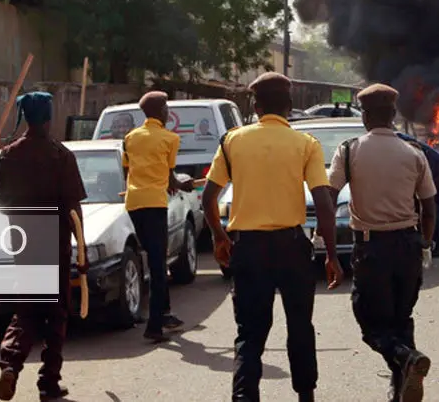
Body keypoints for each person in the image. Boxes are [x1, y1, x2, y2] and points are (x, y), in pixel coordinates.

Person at [201, 72, 343, 402]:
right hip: (292, 248)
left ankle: (244, 397)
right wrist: (331, 255)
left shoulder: (233, 140)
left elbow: (208, 198)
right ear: (290, 106)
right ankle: (305, 396)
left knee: (249, 333)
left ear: (255, 105)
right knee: (300, 327)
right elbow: (323, 201)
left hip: (247, 249)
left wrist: (220, 238)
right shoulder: (305, 143)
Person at [329, 84, 437, 402]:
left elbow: (329, 194)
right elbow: (429, 207)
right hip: (408, 246)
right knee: (401, 318)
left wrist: (326, 239)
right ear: (393, 115)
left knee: (371, 324)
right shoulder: (414, 153)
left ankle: (405, 359)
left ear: (364, 115)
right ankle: (400, 384)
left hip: (370, 247)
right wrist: (426, 244)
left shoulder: (349, 151)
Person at [0, 92, 88, 401]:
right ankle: (48, 382)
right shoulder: (60, 155)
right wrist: (82, 249)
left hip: (24, 246)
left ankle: (10, 364)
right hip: (55, 246)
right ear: (48, 118)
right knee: (56, 313)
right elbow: (74, 209)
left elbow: (2, 203)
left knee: (27, 310)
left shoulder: (8, 155)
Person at [123, 91, 195, 342]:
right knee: (157, 265)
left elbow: (127, 170)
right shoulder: (169, 139)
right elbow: (171, 177)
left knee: (153, 258)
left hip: (133, 203)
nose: (168, 111)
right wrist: (183, 185)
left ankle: (164, 314)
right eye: (165, 107)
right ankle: (155, 326)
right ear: (158, 111)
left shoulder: (130, 138)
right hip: (155, 204)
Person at [397, 129, 439, 257]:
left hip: (432, 164)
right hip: (428, 161)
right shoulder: (391, 141)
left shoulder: (396, 143)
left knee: (431, 203)